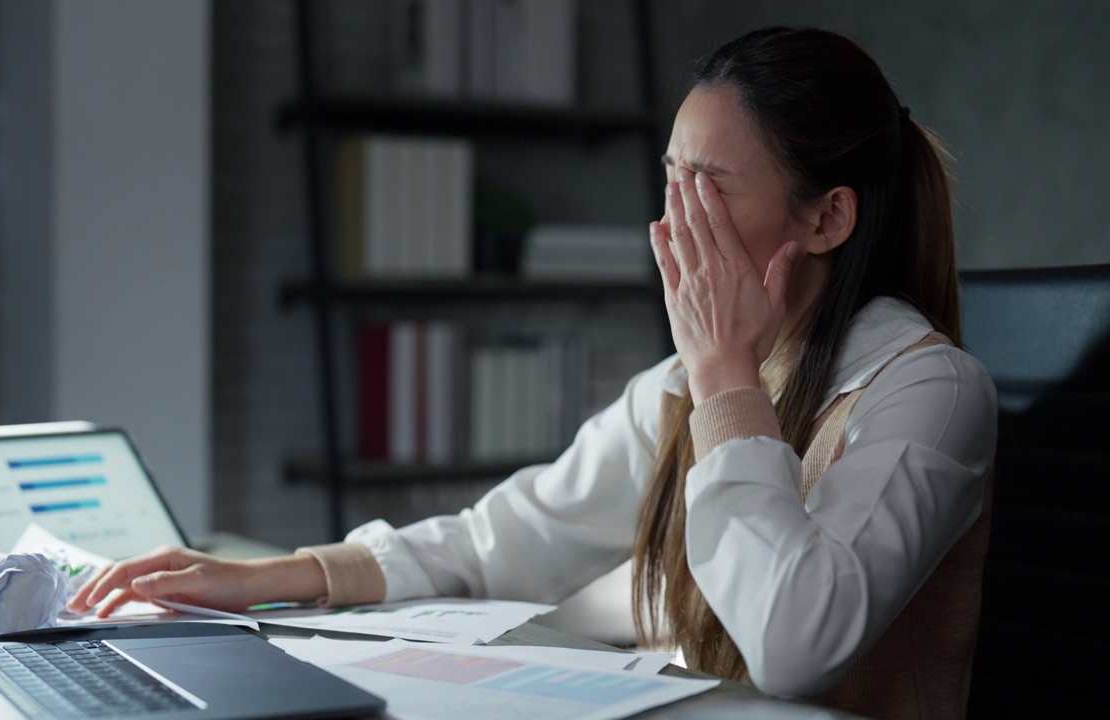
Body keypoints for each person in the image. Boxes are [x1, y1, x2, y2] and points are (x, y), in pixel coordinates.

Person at [69, 26, 996, 720]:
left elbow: (798, 647)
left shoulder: (929, 390)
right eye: (668, 179)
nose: (672, 226)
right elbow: (495, 543)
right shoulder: (685, 385)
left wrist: (723, 376)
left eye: (708, 188)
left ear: (829, 220)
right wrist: (273, 576)